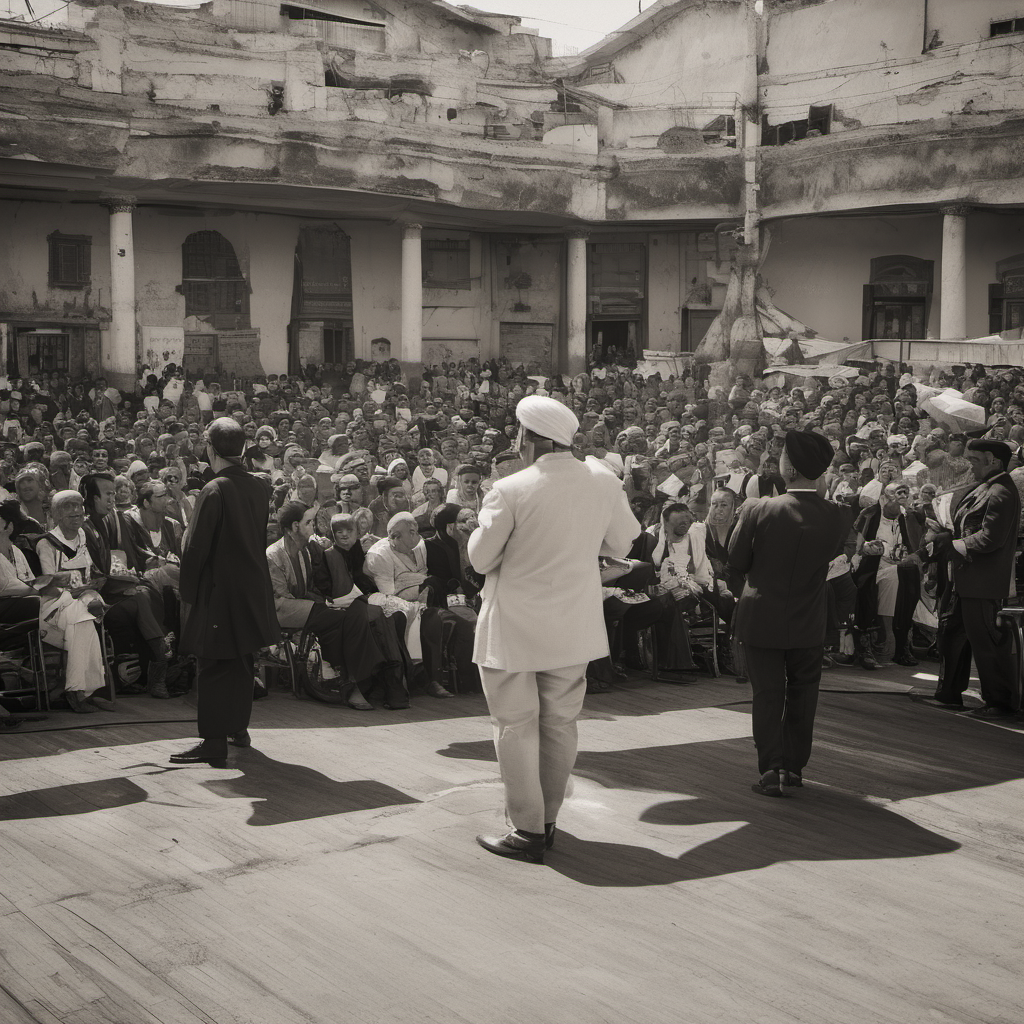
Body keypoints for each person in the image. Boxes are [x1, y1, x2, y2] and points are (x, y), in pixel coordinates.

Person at [468, 395, 639, 863]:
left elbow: (481, 559)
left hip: (514, 627)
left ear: (527, 438)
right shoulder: (603, 480)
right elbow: (624, 539)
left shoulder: (510, 489)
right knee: (560, 725)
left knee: (515, 726)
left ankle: (526, 831)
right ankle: (547, 821)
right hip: (574, 624)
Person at [728, 430, 849, 797]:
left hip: (760, 615)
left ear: (790, 468)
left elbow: (736, 563)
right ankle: (794, 767)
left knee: (767, 694)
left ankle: (772, 770)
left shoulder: (757, 508)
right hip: (809, 618)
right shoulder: (839, 515)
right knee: (804, 693)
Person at [171, 418, 281, 766]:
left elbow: (196, 549)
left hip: (220, 590)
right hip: (252, 586)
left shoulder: (214, 489)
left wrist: (187, 593)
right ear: (244, 449)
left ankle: (215, 741)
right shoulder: (259, 487)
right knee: (242, 659)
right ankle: (238, 729)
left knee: (215, 664)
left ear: (210, 449)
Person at [924, 438, 1021, 715]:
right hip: (964, 578)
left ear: (994, 461)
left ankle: (1001, 703)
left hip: (982, 583)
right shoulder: (986, 487)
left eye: (976, 460)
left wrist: (953, 544)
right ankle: (949, 694)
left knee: (987, 643)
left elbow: (991, 538)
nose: (971, 465)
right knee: (951, 634)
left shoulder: (1001, 491)